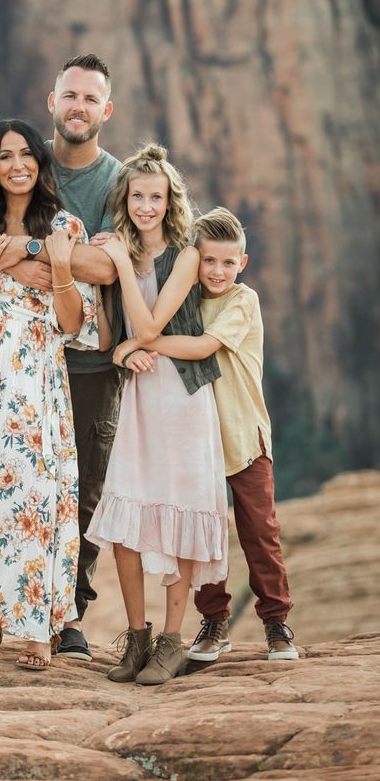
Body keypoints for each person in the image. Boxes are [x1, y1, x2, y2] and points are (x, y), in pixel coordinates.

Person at [0, 54, 121, 660]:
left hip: (41, 380)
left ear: (39, 165)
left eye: (25, 155)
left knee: (40, 499)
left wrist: (60, 267)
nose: (17, 165)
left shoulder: (62, 223)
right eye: (5, 156)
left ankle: (40, 625)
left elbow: (75, 323)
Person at [86, 142, 228, 685]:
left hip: (185, 400)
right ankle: (137, 638)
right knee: (127, 518)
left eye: (157, 197)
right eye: (138, 195)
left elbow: (147, 329)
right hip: (141, 399)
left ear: (171, 201)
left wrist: (122, 266)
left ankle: (171, 641)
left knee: (179, 512)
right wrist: (120, 350)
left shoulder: (186, 253)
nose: (147, 205)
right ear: (126, 198)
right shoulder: (117, 246)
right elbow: (120, 335)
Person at [135, 207, 298, 661]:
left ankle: (277, 622)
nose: (218, 271)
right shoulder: (182, 299)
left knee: (259, 533)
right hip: (196, 442)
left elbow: (204, 346)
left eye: (228, 262)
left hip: (245, 437)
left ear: (242, 264)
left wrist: (141, 342)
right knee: (204, 535)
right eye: (209, 261)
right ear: (194, 260)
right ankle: (215, 622)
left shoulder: (243, 300)